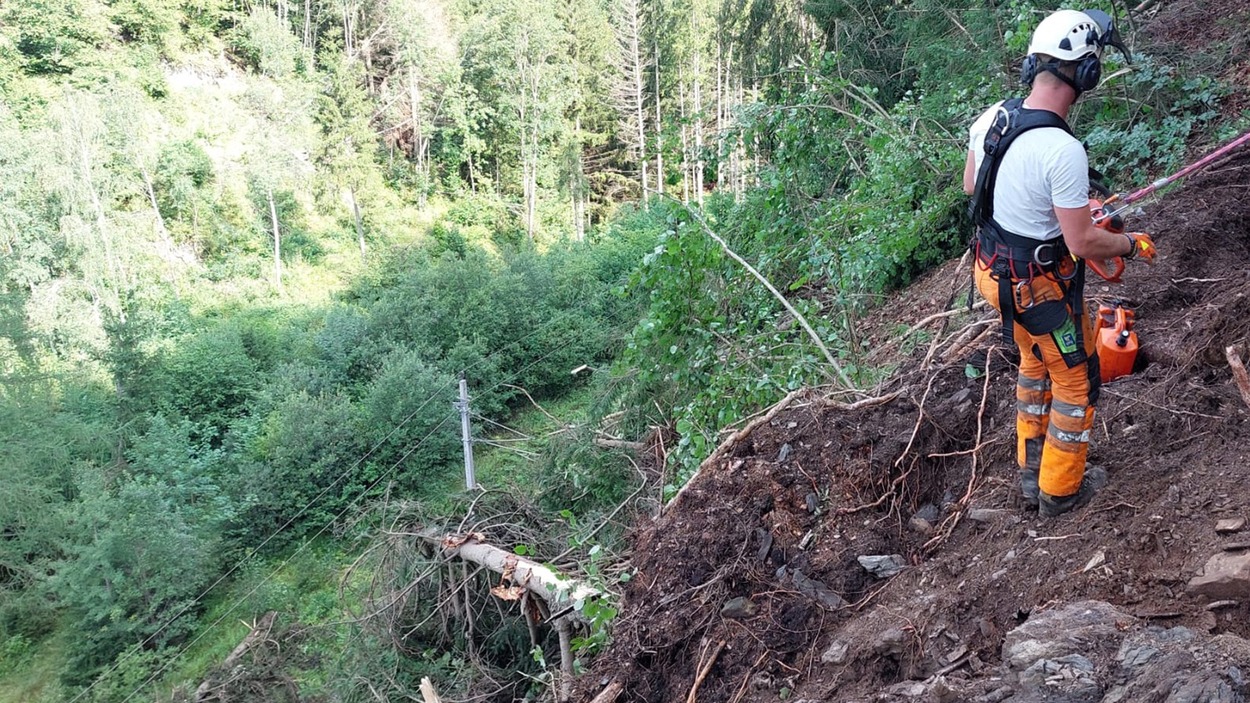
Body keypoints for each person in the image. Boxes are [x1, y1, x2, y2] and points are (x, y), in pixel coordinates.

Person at [963, 9, 1157, 518]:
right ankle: (1059, 490)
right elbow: (1085, 243)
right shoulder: (1062, 149)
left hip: (993, 274)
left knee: (1033, 363)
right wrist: (1131, 245)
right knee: (1076, 380)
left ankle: (1031, 472)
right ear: (1086, 73)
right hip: (1037, 290)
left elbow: (973, 188)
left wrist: (1050, 208)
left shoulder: (994, 117)